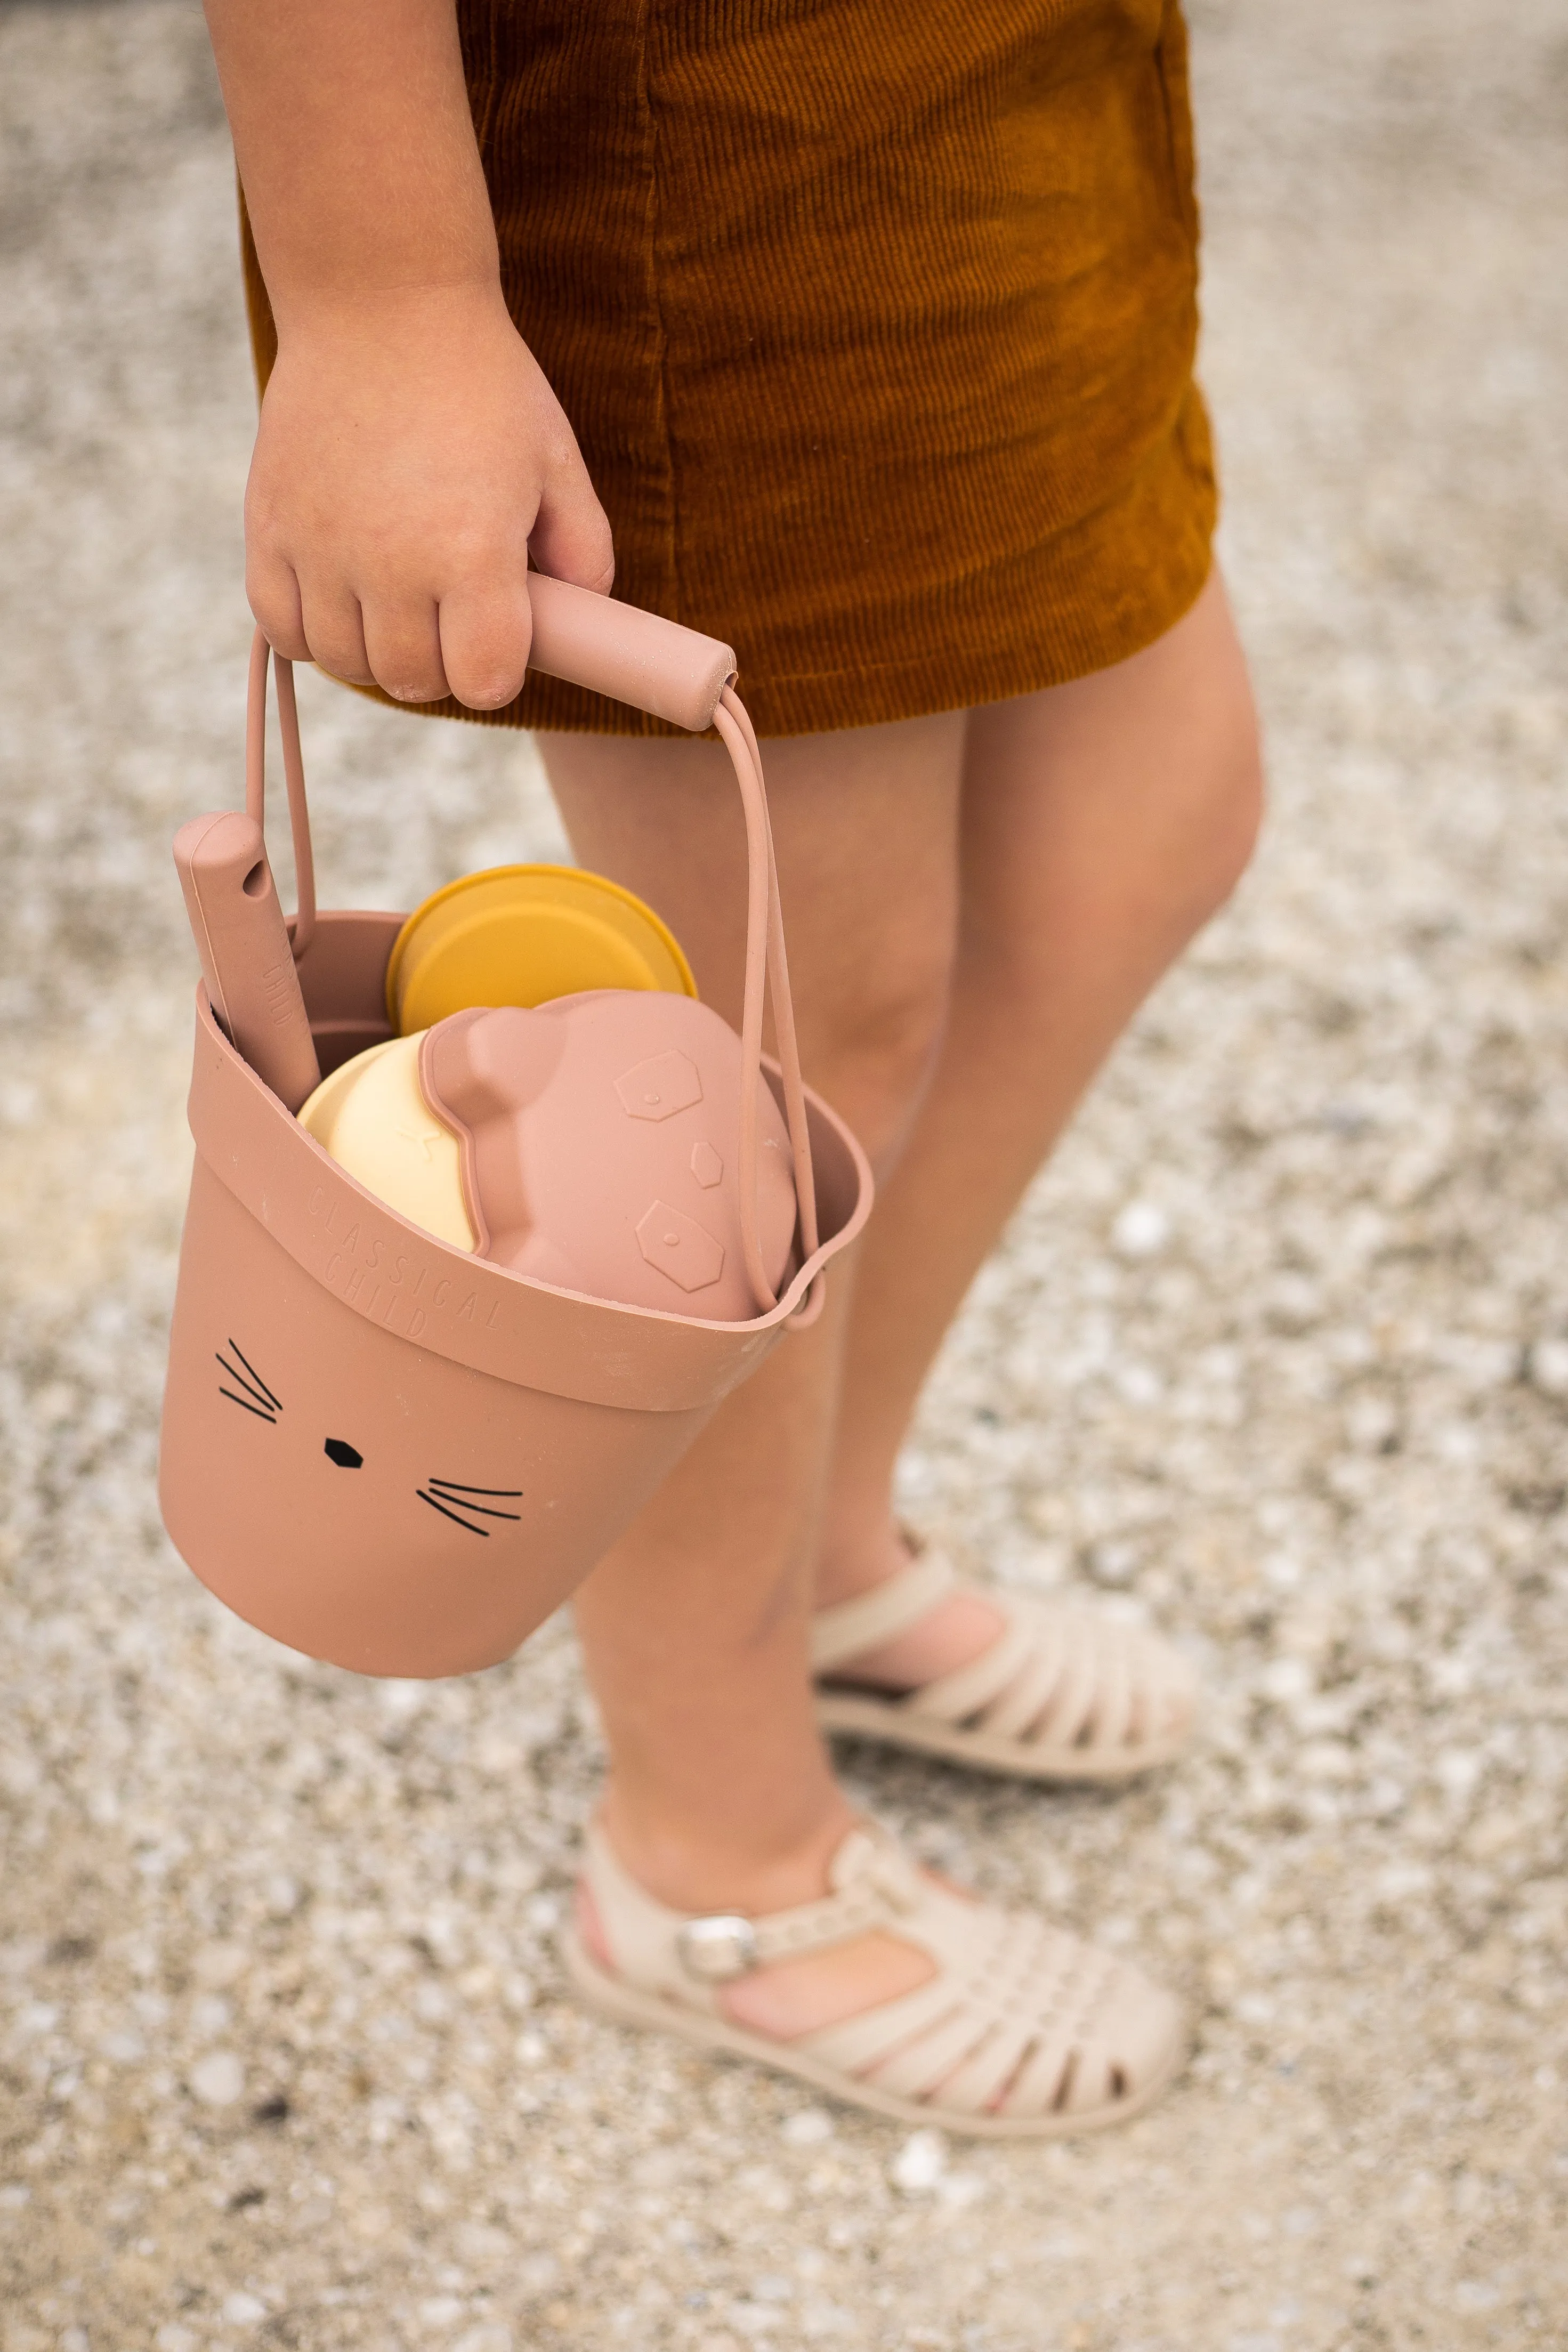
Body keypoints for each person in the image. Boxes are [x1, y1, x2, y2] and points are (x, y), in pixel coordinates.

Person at [203, 0, 1262, 2135]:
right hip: (711, 128)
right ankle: (713, 1849)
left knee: (1149, 804)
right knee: (744, 1086)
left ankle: (820, 1545)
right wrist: (381, 284)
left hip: (1002, 81)